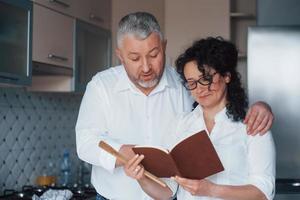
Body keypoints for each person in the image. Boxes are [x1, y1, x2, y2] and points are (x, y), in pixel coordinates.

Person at [75, 12, 274, 200]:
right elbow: (85, 143)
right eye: (135, 58)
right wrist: (130, 158)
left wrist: (263, 106)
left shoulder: (183, 83)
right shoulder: (102, 86)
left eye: (154, 55)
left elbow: (221, 98)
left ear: (164, 46)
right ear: (120, 55)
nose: (146, 67)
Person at [125, 37, 275, 200]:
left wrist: (211, 190)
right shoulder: (181, 124)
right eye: (192, 82)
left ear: (226, 76)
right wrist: (142, 178)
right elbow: (168, 192)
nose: (200, 89)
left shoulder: (253, 124)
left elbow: (263, 193)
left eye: (206, 79)